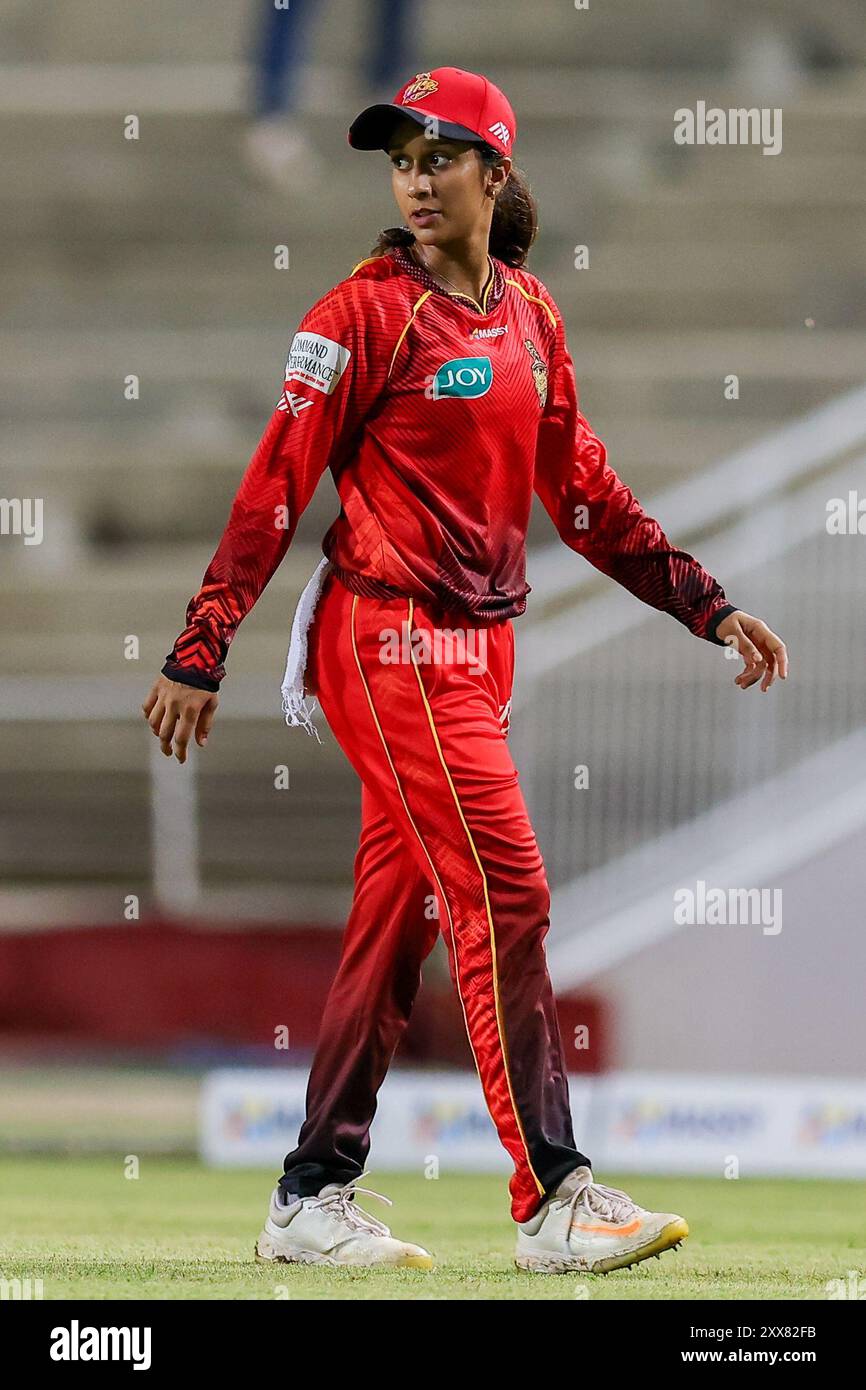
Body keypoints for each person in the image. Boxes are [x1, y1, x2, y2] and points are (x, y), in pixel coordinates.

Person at [143, 66, 788, 1275]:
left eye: (438, 156)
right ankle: (554, 1194)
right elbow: (273, 485)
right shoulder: (357, 314)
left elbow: (584, 498)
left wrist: (705, 603)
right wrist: (201, 643)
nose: (415, 179)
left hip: (475, 650)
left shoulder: (532, 316)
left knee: (394, 925)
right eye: (399, 159)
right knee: (507, 888)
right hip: (388, 639)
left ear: (494, 172)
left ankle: (309, 1193)